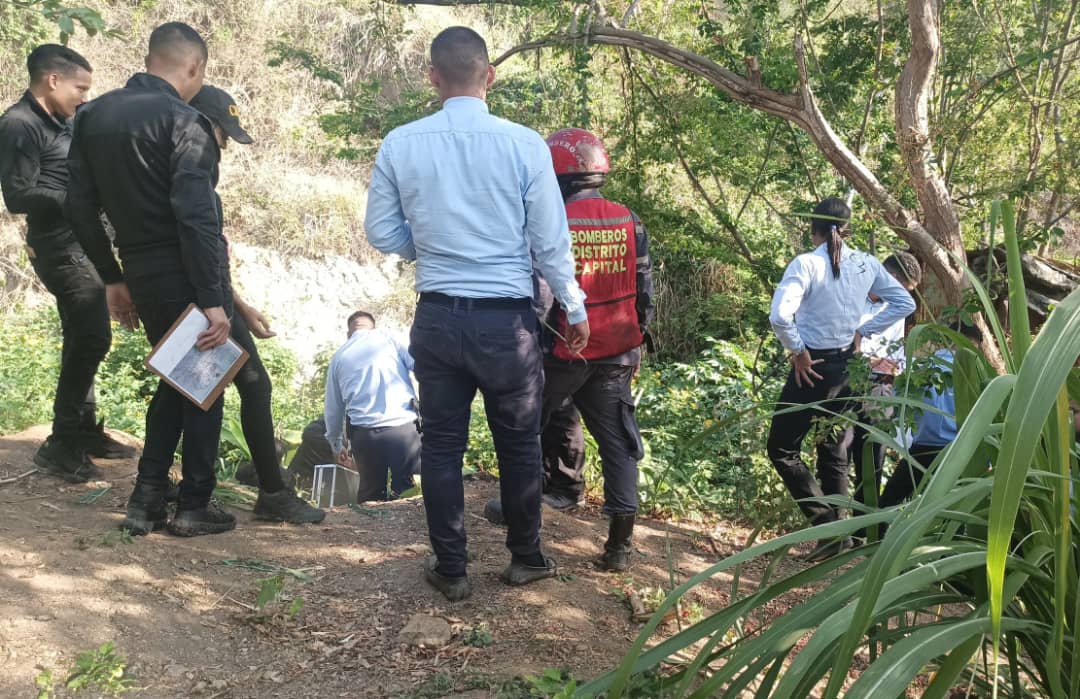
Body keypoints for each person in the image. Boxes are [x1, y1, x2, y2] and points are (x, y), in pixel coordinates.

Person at [365, 26, 589, 601]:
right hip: (506, 325)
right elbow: (549, 239)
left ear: (433, 78)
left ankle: (452, 568)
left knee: (442, 445)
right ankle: (526, 557)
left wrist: (431, 246)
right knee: (517, 444)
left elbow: (381, 231)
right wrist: (573, 305)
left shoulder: (401, 143)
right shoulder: (523, 144)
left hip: (437, 317)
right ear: (489, 75)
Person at [66, 22, 234, 537]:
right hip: (182, 267)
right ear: (194, 68)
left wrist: (113, 277)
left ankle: (146, 499)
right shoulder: (185, 122)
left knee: (176, 380)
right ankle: (194, 505)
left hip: (137, 267)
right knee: (205, 382)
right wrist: (213, 299)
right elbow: (196, 217)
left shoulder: (92, 114)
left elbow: (79, 205)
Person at [485, 128, 654, 572]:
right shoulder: (628, 219)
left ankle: (517, 512)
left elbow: (538, 295)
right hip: (617, 353)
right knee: (618, 445)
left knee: (524, 430)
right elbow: (644, 291)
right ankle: (618, 548)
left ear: (557, 173)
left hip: (562, 352)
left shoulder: (551, 220)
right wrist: (635, 345)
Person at [187, 84, 324, 524]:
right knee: (210, 392)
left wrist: (240, 307)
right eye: (222, 134)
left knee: (235, 388)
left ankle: (205, 493)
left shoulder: (200, 178)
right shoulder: (188, 173)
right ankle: (216, 497)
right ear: (202, 126)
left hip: (218, 301)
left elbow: (214, 258)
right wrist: (218, 307)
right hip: (202, 304)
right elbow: (193, 251)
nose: (224, 145)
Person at [0, 44, 135, 483]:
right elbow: (18, 193)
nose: (84, 97)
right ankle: (61, 442)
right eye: (80, 88)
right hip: (57, 245)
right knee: (93, 336)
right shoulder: (18, 125)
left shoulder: (68, 121)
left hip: (87, 241)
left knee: (83, 333)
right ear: (52, 80)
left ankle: (81, 429)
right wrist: (75, 200)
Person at [766, 198, 915, 561]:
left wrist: (798, 350)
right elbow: (905, 304)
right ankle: (838, 536)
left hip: (813, 366)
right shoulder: (865, 262)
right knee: (832, 449)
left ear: (812, 228)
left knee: (782, 447)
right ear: (847, 229)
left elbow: (779, 316)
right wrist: (864, 330)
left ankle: (829, 530)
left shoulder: (807, 263)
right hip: (850, 367)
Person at [879, 321, 982, 508]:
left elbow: (896, 405)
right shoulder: (976, 374)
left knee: (889, 501)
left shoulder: (921, 367)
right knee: (952, 508)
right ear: (974, 345)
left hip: (923, 449)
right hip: (959, 452)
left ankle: (878, 536)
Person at [324, 310, 419, 503]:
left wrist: (336, 444)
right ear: (372, 326)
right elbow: (420, 365)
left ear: (349, 333)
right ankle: (408, 531)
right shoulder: (389, 339)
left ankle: (368, 532)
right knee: (410, 494)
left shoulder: (339, 357)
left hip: (365, 436)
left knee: (370, 496)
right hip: (403, 430)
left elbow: (333, 409)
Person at [850, 252, 922, 506]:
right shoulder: (850, 292)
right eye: (904, 289)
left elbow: (896, 350)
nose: (905, 296)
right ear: (890, 277)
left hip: (881, 384)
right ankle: (833, 526)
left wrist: (895, 366)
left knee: (872, 457)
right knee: (836, 450)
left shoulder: (897, 309)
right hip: (846, 379)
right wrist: (865, 357)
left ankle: (864, 529)